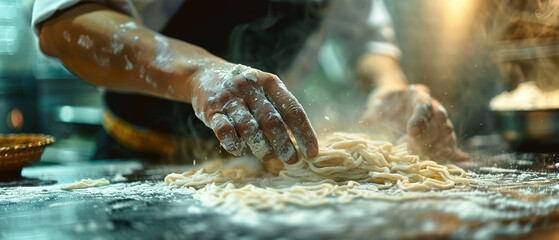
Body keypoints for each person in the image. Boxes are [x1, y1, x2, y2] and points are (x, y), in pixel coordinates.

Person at [32, 0, 465, 168]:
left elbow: (369, 39)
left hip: (261, 168)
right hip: (135, 160)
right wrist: (198, 72)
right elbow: (63, 26)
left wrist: (387, 85)